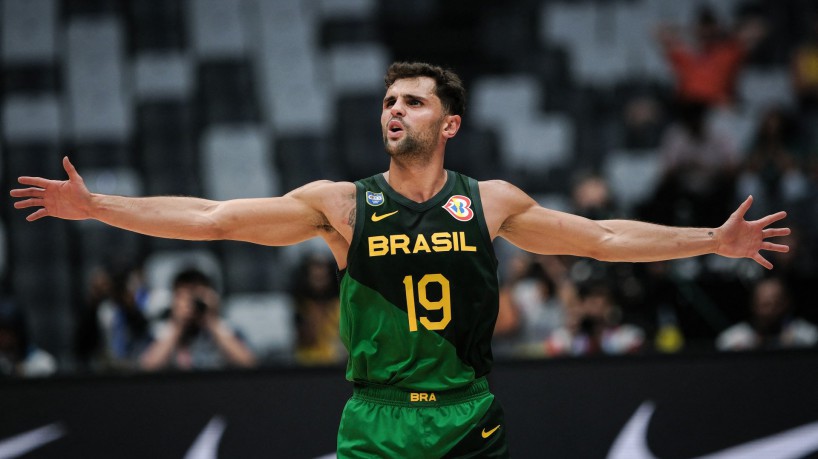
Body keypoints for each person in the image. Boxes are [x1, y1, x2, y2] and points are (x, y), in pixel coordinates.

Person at [10, 62, 790, 458]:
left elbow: (602, 238)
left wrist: (711, 241)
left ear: (449, 123)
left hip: (468, 413)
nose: (394, 110)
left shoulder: (490, 202)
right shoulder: (342, 204)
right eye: (389, 102)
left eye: (412, 101)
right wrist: (103, 206)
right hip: (377, 418)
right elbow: (215, 220)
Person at [138, 268, 256, 371]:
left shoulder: (227, 329)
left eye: (197, 297)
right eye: (185, 297)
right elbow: (146, 368)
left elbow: (249, 364)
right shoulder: (160, 332)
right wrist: (177, 325)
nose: (192, 304)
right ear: (174, 299)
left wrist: (212, 321)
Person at [716, 277, 818, 351]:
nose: (771, 310)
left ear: (787, 303)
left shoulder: (808, 337)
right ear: (754, 305)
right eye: (765, 305)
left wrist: (796, 347)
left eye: (777, 304)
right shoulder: (732, 340)